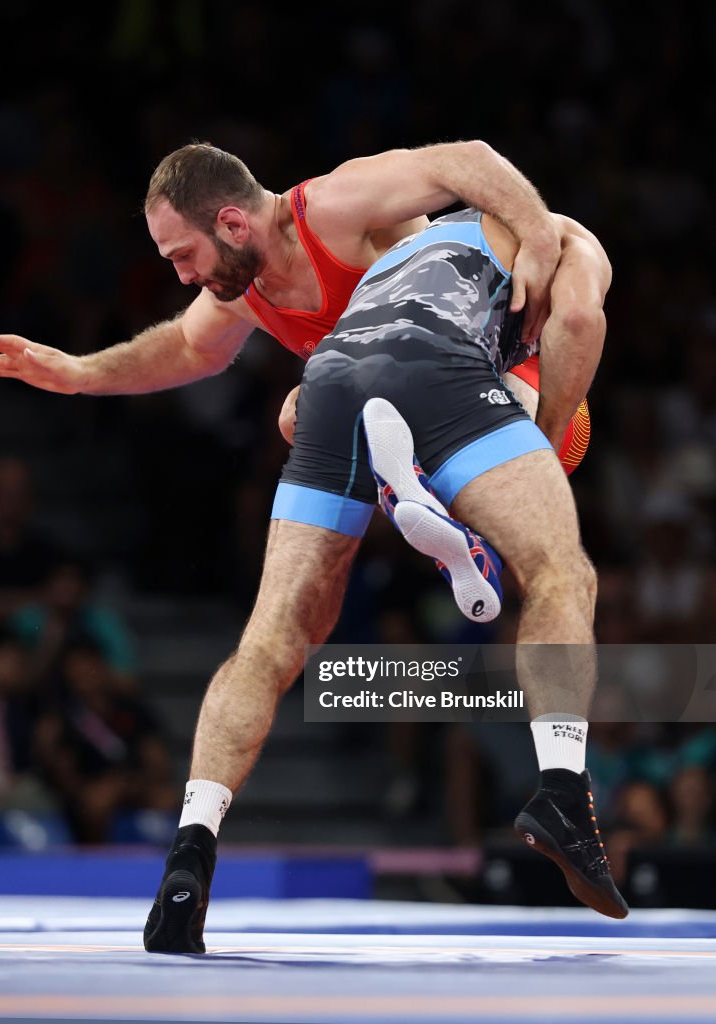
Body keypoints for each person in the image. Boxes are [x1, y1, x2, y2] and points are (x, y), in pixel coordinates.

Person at [134, 202, 625, 954]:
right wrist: (546, 442)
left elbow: (319, 377)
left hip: (331, 380)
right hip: (445, 377)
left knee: (272, 638)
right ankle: (563, 792)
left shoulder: (406, 241)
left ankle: (188, 857)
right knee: (560, 573)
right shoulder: (566, 237)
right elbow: (580, 327)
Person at [0, 142, 603, 616]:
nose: (184, 278)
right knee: (301, 411)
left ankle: (430, 487)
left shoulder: (335, 205)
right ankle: (431, 504)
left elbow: (464, 160)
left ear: (232, 224)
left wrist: (540, 235)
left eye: (183, 256)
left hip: (495, 358)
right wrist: (80, 372)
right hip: (423, 402)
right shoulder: (244, 289)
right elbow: (189, 348)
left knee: (315, 406)